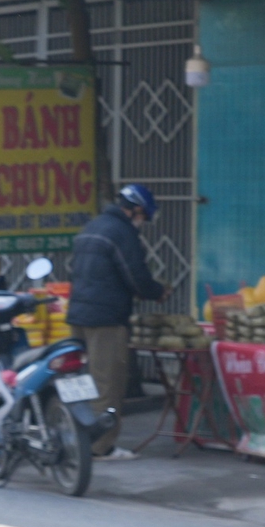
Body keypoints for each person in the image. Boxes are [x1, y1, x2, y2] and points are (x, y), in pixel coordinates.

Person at [67, 183, 165, 460]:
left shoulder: (92, 227)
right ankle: (101, 446)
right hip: (105, 319)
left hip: (77, 316)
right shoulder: (123, 233)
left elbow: (73, 268)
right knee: (106, 383)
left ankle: (74, 436)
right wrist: (157, 292)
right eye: (143, 216)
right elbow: (135, 277)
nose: (142, 222)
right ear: (135, 210)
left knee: (80, 382)